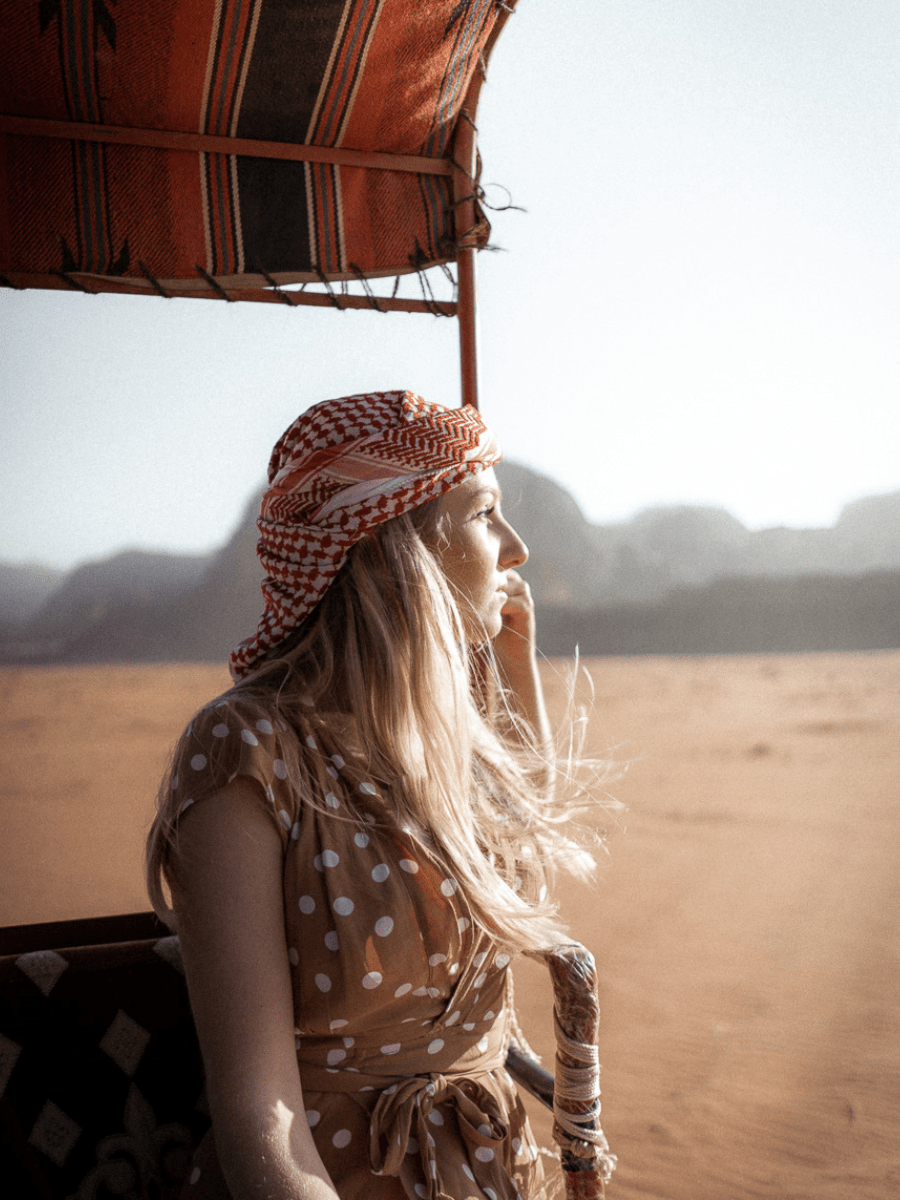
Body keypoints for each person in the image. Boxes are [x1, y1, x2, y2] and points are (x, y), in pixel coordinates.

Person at [146, 390, 609, 1200]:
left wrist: (512, 681)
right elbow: (259, 1105)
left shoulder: (439, 741)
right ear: (399, 546)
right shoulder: (246, 752)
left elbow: (519, 890)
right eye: (485, 514)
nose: (517, 549)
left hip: (499, 1170)